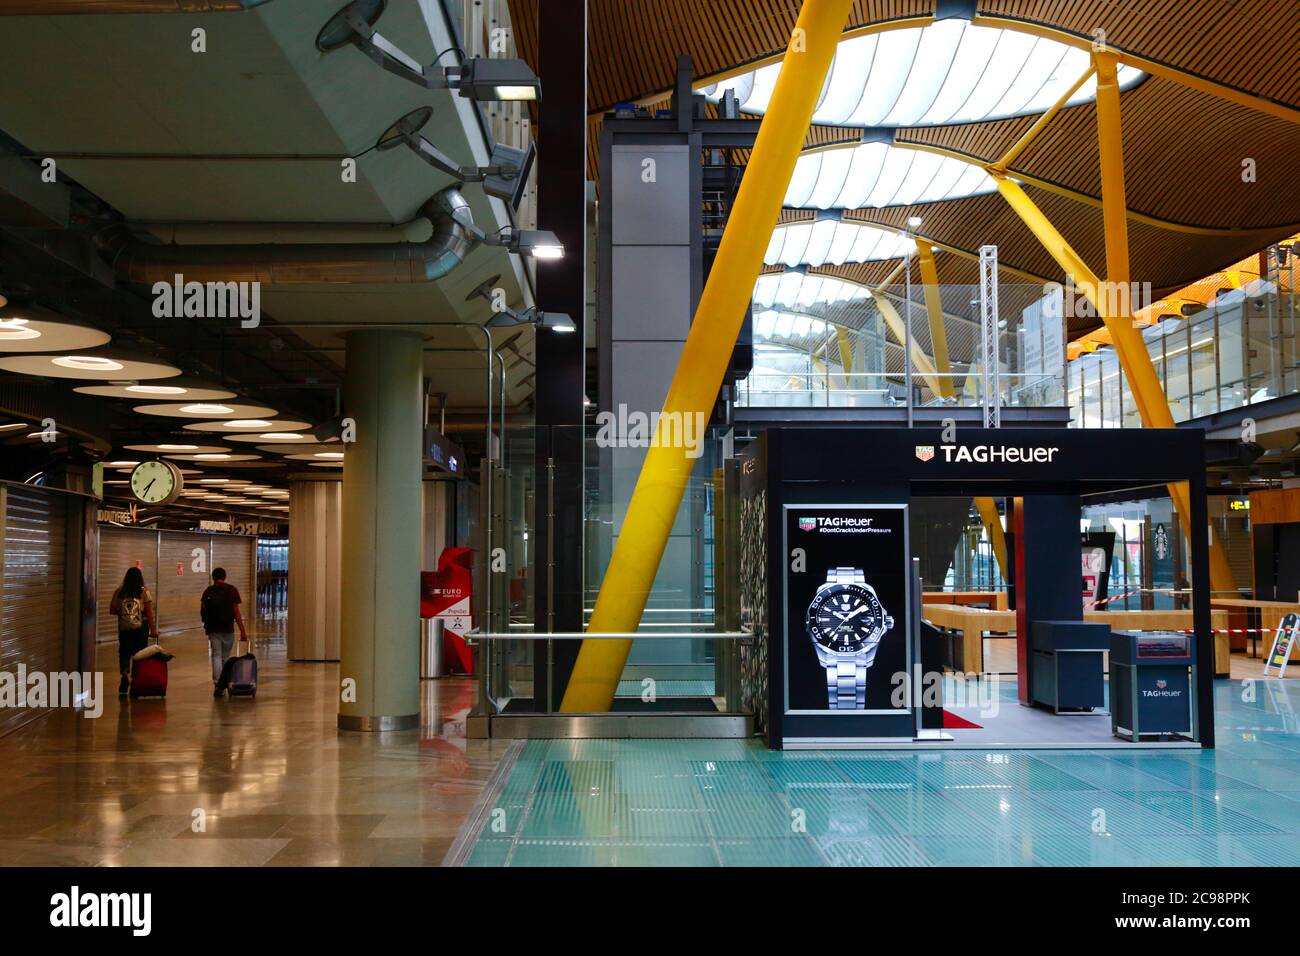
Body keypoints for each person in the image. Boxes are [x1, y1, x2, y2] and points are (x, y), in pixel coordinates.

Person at [108, 567, 157, 696]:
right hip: (141, 627)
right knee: (140, 653)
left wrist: (125, 613)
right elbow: (149, 613)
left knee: (124, 650)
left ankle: (124, 674)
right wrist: (153, 629)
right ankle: (136, 680)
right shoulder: (143, 592)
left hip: (124, 628)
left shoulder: (119, 592)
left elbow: (112, 610)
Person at [201, 567, 247, 697]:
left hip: (213, 629)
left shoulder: (208, 591)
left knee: (216, 655)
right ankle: (225, 682)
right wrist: (242, 631)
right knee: (225, 657)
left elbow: (203, 610)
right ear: (225, 576)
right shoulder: (231, 590)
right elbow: (236, 612)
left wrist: (207, 626)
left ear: (213, 577)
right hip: (228, 629)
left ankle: (217, 684)